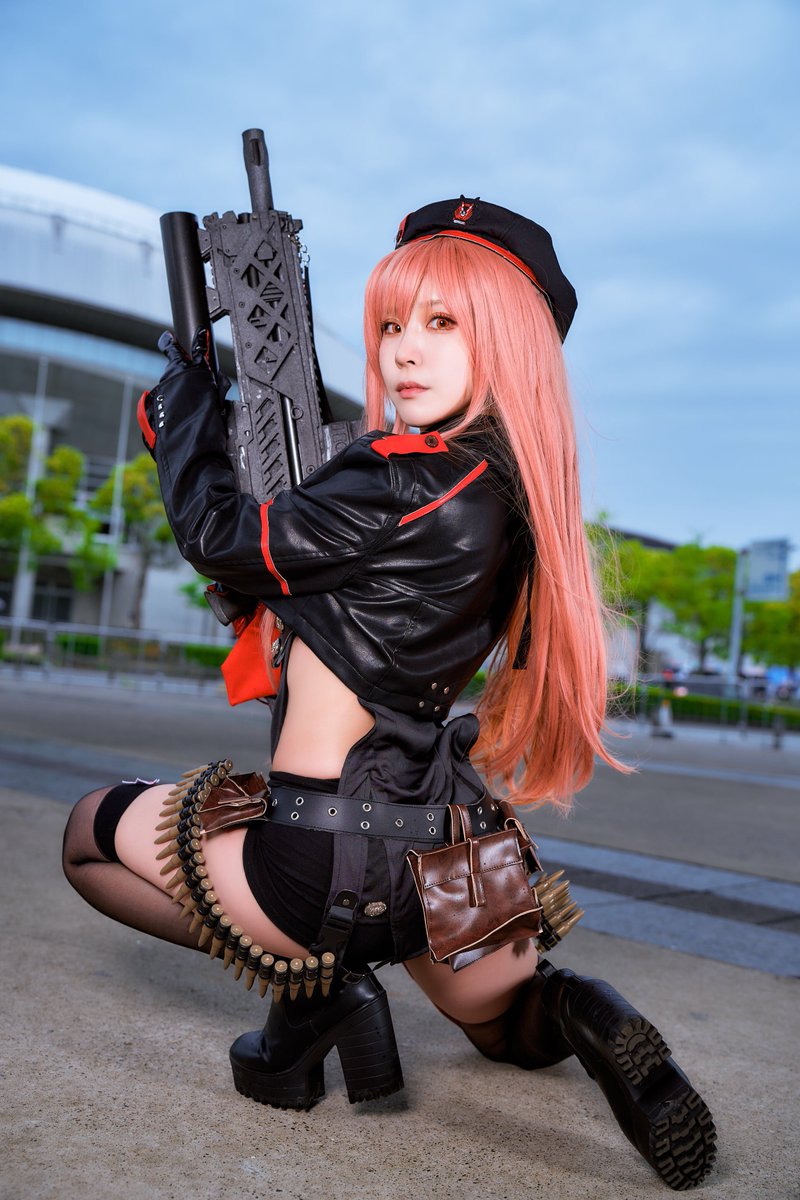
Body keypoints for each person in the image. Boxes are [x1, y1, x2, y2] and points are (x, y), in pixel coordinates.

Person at [63, 197, 716, 1189]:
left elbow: (221, 537)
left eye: (442, 322)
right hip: (458, 850)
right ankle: (584, 1010)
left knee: (87, 834)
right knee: (507, 1024)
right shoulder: (512, 501)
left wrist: (183, 408)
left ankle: (318, 985)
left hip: (329, 858)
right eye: (390, 324)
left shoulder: (401, 477)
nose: (404, 349)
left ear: (508, 341)